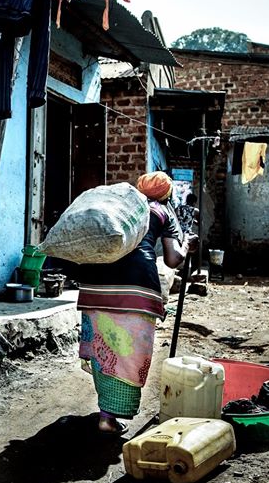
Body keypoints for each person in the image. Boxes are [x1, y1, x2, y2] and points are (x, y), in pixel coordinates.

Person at [74, 172, 197, 434]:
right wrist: (187, 243)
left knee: (103, 348)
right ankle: (108, 417)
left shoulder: (121, 206)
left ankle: (105, 413)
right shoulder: (163, 211)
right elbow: (174, 259)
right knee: (127, 353)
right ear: (167, 194)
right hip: (136, 287)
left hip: (95, 283)